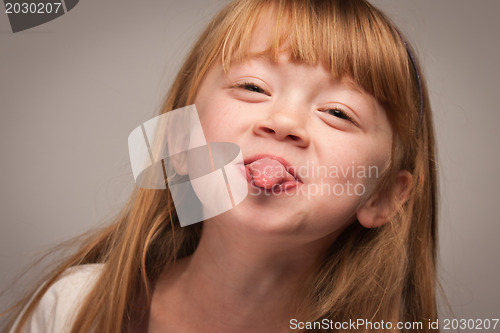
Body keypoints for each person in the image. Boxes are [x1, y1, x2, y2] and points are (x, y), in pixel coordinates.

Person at [3, 0, 439, 332]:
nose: (284, 123)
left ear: (381, 195)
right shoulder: (74, 306)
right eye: (251, 86)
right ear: (180, 137)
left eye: (339, 113)